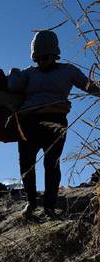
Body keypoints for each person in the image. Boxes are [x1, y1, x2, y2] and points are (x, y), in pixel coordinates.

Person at [8, 30, 100, 219]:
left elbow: (89, 86)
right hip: (27, 122)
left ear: (55, 54)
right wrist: (12, 75)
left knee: (52, 163)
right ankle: (31, 202)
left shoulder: (68, 71)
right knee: (26, 163)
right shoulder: (28, 73)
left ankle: (49, 206)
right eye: (38, 57)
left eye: (46, 56)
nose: (42, 61)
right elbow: (13, 87)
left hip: (55, 122)